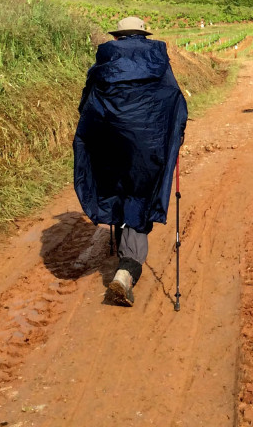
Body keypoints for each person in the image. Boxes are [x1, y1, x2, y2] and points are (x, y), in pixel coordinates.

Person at [73, 16, 188, 307]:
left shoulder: (103, 63)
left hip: (111, 145)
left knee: (120, 191)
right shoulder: (159, 62)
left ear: (119, 36)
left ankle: (126, 260)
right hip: (148, 147)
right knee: (140, 196)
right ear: (143, 35)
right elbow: (175, 103)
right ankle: (126, 271)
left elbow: (85, 106)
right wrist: (173, 139)